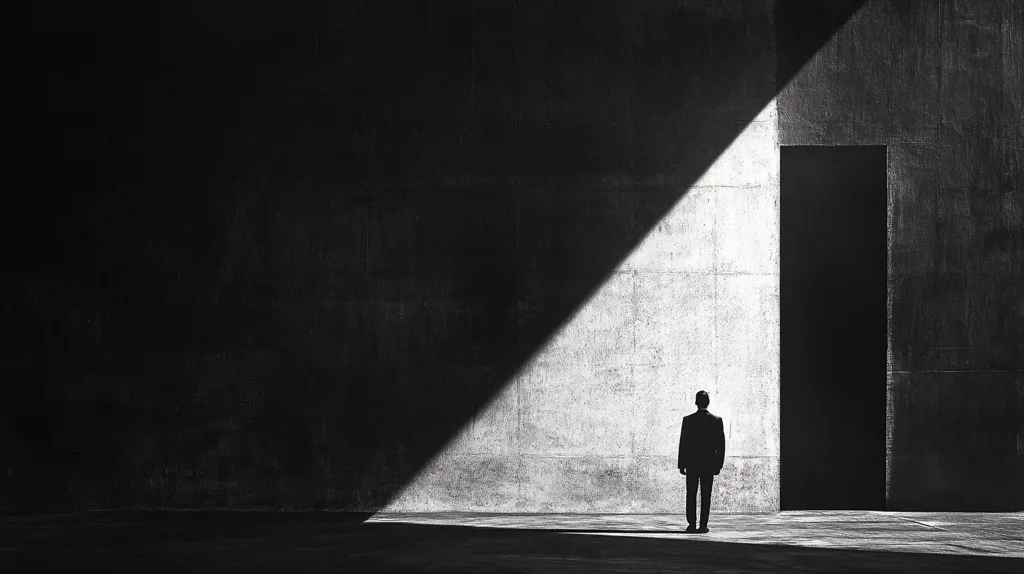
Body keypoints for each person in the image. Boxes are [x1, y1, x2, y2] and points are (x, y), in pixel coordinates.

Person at [678, 390, 725, 533]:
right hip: (708, 465)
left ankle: (691, 524)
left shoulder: (688, 420)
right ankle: (703, 525)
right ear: (708, 402)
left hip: (692, 464)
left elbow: (683, 443)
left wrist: (682, 464)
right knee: (706, 495)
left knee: (691, 495)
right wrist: (718, 465)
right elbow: (721, 446)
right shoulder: (716, 420)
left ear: (696, 402)